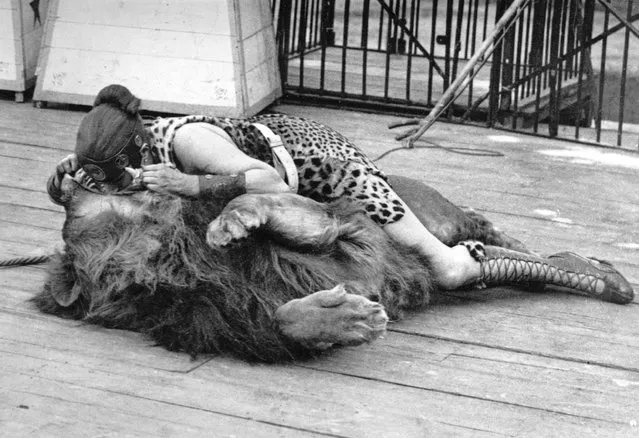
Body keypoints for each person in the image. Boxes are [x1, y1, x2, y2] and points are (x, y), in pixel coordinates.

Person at [48, 84, 634, 303]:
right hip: (256, 177)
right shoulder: (115, 150)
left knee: (446, 269)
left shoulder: (191, 142)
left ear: (138, 150)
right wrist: (70, 182)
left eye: (114, 174)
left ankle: (532, 266)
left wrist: (191, 184)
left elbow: (266, 182)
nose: (110, 185)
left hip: (311, 163)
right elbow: (102, 177)